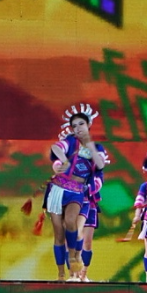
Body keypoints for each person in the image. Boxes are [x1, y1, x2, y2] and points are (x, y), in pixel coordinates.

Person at [48, 104, 107, 281]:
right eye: (74, 126)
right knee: (60, 235)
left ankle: (77, 263)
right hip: (59, 190)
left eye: (81, 124)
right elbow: (56, 149)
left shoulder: (97, 148)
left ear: (89, 124)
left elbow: (100, 165)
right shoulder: (70, 142)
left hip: (82, 194)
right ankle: (63, 273)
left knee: (74, 227)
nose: (78, 128)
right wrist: (62, 162)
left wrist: (89, 144)